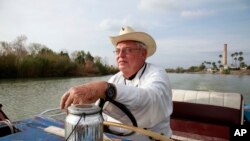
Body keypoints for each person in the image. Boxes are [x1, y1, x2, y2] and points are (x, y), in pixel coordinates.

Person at [60, 26, 173, 140]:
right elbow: (100, 112)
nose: (121, 55)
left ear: (143, 53)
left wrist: (105, 89)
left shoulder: (157, 74)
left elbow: (150, 100)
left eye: (128, 50)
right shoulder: (115, 79)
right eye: (118, 51)